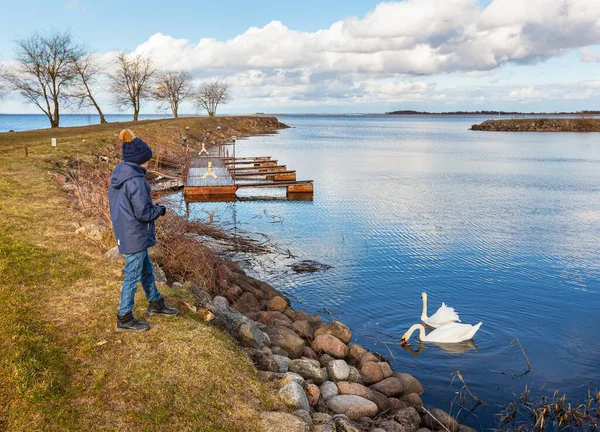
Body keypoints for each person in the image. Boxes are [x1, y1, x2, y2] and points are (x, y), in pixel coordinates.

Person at [108, 129, 178, 332]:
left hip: (125, 232)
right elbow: (144, 213)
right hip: (135, 234)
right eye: (146, 161)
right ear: (139, 161)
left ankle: (155, 303)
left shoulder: (118, 177)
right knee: (132, 275)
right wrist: (160, 209)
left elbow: (126, 207)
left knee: (146, 268)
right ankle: (125, 317)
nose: (148, 164)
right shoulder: (137, 181)